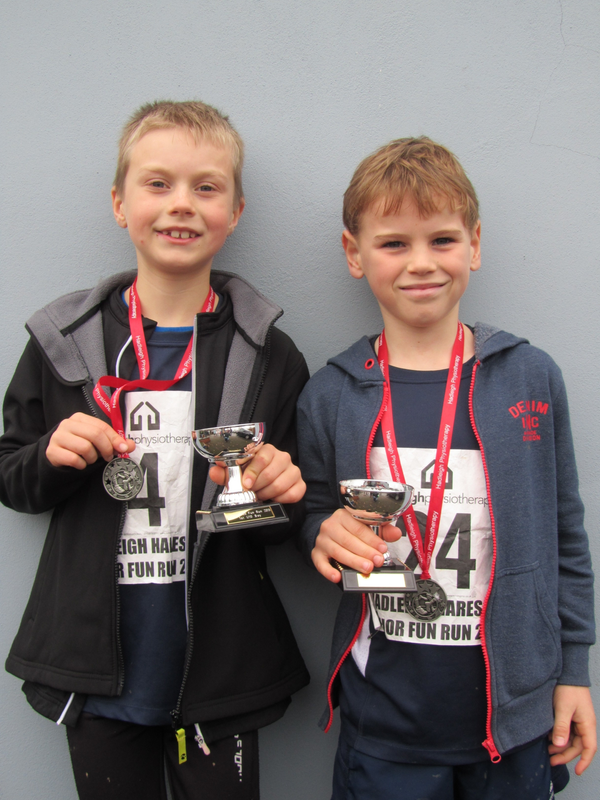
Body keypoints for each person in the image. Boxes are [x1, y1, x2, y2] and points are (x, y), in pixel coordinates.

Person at [0, 100, 310, 800]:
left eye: (206, 187)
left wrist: (283, 493)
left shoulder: (269, 355)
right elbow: (10, 477)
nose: (182, 205)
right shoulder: (61, 341)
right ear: (119, 202)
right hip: (100, 667)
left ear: (235, 210)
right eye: (157, 183)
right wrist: (50, 452)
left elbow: (288, 519)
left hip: (219, 671)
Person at [297, 137, 596, 799]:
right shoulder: (332, 394)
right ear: (354, 253)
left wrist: (574, 670)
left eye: (442, 240)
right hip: (385, 729)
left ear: (475, 244)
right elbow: (313, 512)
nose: (422, 263)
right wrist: (321, 533)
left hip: (514, 723)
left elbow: (565, 537)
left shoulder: (529, 378)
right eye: (394, 243)